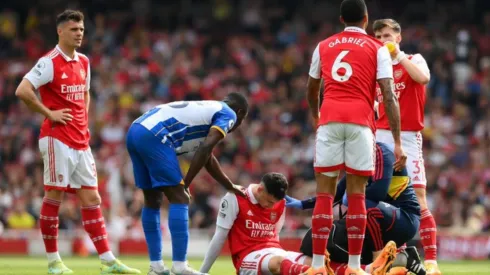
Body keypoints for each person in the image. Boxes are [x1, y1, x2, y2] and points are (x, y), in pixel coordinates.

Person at [15, 10, 140, 275]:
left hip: (80, 140)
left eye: (81, 29)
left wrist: (82, 121)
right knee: (54, 195)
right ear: (60, 31)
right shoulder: (49, 62)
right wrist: (49, 113)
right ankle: (53, 262)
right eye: (74, 29)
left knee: (92, 196)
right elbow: (23, 90)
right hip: (56, 138)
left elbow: (85, 94)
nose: (79, 33)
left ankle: (107, 260)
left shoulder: (84, 61)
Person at [306, 0, 406, 274]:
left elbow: (312, 87)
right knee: (357, 194)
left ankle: (316, 265)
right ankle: (353, 266)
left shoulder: (323, 45)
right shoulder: (377, 49)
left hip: (330, 122)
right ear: (366, 19)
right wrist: (397, 142)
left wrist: (316, 117)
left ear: (341, 19)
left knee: (324, 194)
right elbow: (388, 94)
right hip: (361, 124)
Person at [126, 95, 248, 275]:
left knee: (152, 199)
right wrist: (186, 184)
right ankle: (180, 265)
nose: (237, 125)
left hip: (136, 130)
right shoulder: (228, 113)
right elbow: (205, 148)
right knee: (180, 198)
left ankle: (156, 266)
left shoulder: (207, 110)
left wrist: (229, 185)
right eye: (242, 120)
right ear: (239, 113)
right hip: (156, 134)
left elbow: (208, 156)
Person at [286, 142, 425, 275]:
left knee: (362, 205)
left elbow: (379, 192)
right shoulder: (358, 159)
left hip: (406, 218)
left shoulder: (382, 152)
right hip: (383, 219)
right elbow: (336, 194)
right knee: (353, 227)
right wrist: (303, 204)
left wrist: (352, 196)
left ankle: (379, 262)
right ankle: (402, 259)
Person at [372, 19, 440, 275]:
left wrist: (398, 55)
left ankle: (432, 262)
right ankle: (394, 257)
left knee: (419, 198)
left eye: (387, 35)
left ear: (398, 37)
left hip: (409, 137)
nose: (383, 40)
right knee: (384, 200)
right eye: (378, 36)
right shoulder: (375, 68)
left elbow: (422, 78)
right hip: (380, 137)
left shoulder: (414, 58)